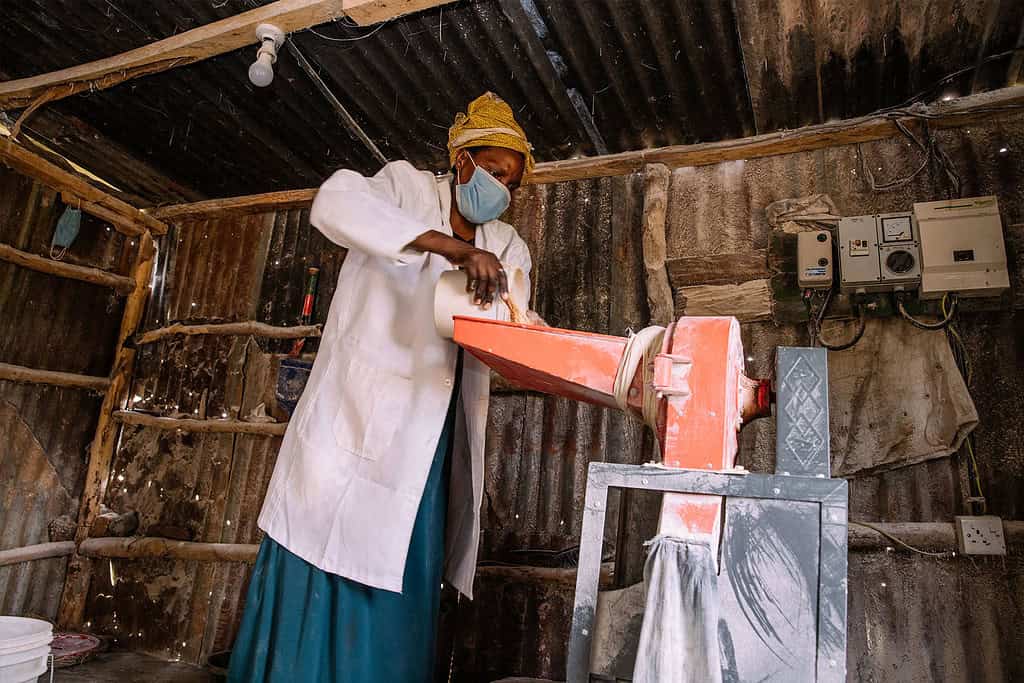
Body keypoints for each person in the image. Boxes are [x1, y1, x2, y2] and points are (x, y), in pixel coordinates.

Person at [228, 93, 540, 683]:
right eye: (494, 171)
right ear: (462, 160)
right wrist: (453, 248)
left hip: (432, 430)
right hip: (355, 412)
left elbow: (519, 320)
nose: (501, 188)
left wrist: (520, 320)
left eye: (511, 180)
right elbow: (334, 202)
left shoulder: (508, 245)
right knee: (324, 539)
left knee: (402, 555)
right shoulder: (402, 187)